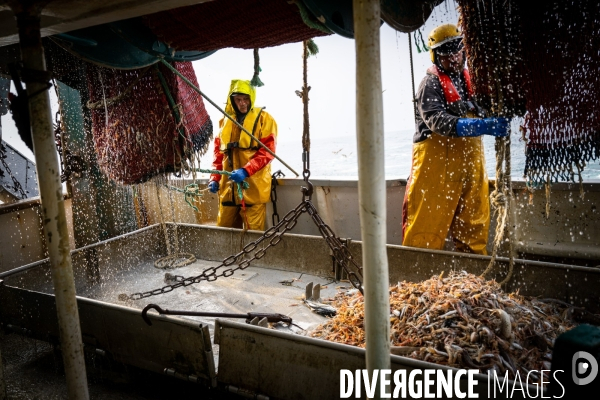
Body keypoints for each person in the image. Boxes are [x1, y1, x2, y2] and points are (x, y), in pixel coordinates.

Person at [402, 23, 510, 255]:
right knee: (425, 235)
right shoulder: (429, 84)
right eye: (446, 53)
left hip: (471, 172)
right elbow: (436, 120)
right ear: (435, 55)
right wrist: (480, 125)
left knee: (475, 230)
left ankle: (472, 283)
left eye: (457, 51)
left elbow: (489, 106)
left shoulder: (474, 81)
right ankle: (418, 281)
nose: (453, 58)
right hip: (435, 174)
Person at [207, 79, 277, 230]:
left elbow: (268, 152)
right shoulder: (224, 122)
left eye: (245, 99)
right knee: (223, 233)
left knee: (253, 238)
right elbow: (218, 155)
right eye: (238, 99)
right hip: (228, 191)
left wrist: (246, 170)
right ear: (232, 100)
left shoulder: (265, 119)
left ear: (251, 98)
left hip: (253, 189)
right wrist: (214, 178)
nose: (242, 103)